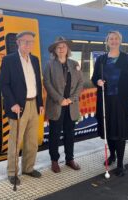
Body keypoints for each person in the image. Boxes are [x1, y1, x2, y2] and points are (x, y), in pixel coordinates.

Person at [0, 31, 44, 185]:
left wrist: (40, 103)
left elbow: (37, 83)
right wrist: (12, 103)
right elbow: (3, 84)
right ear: (18, 42)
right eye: (25, 41)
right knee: (15, 142)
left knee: (32, 141)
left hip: (33, 104)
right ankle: (12, 172)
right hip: (18, 107)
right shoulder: (9, 60)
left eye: (30, 42)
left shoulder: (35, 60)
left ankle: (28, 168)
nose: (28, 45)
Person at [91, 31, 128, 177]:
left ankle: (120, 163)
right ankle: (112, 155)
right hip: (106, 102)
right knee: (109, 131)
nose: (114, 41)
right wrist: (98, 82)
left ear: (120, 41)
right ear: (107, 41)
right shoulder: (101, 60)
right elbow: (94, 78)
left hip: (122, 101)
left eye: (116, 38)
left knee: (120, 131)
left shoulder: (127, 58)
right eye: (111, 38)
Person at [43, 37, 84, 173]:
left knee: (70, 134)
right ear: (55, 50)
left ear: (68, 49)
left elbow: (80, 83)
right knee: (54, 134)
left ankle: (69, 159)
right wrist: (60, 99)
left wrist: (72, 99)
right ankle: (54, 160)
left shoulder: (74, 64)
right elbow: (47, 83)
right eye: (58, 47)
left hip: (71, 106)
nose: (61, 49)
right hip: (56, 105)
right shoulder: (49, 65)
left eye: (64, 47)